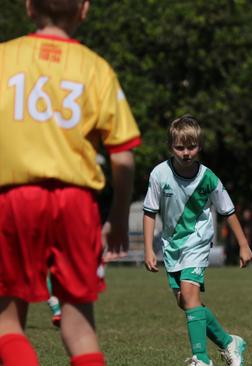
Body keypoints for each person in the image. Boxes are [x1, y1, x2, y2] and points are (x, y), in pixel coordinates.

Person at [0, 0, 141, 365]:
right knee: (79, 327)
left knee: (6, 322)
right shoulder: (96, 68)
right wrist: (120, 215)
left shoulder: (4, 58)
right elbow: (123, 156)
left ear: (29, 8)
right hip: (77, 203)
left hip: (15, 198)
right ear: (84, 10)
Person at [143, 116, 252, 366]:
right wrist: (149, 249)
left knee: (190, 296)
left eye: (191, 147)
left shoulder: (209, 179)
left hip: (198, 242)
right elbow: (149, 211)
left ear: (199, 146)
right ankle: (229, 342)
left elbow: (228, 211)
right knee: (186, 303)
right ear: (171, 146)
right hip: (171, 245)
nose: (185, 153)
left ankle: (201, 359)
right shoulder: (159, 174)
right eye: (179, 147)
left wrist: (244, 245)